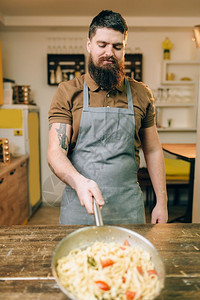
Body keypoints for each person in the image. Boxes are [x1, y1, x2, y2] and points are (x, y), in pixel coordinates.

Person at [48, 10, 168, 225]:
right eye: (102, 45)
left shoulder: (141, 93)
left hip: (128, 208)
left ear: (124, 49)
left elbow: (153, 149)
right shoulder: (68, 92)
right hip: (80, 206)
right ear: (89, 45)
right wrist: (79, 182)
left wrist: (162, 202)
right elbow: (56, 152)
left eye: (117, 46)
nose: (109, 52)